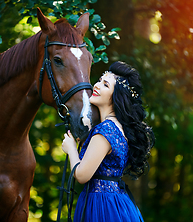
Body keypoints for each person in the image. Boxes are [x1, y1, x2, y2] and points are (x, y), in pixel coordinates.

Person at [62, 61, 155, 222]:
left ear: (116, 96)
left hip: (101, 206)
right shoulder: (118, 128)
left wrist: (71, 149)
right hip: (117, 202)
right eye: (99, 80)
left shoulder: (106, 130)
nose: (96, 85)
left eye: (105, 85)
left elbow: (82, 175)